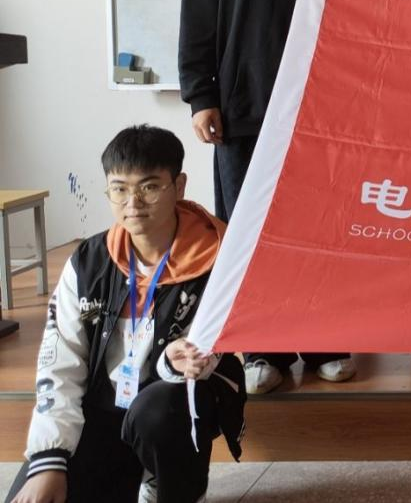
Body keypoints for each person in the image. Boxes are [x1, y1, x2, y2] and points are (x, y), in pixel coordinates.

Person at [178, 0, 361, 394]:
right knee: (249, 230)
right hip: (245, 106)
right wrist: (201, 95)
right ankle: (262, 350)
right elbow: (198, 15)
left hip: (325, 105)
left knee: (323, 226)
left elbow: (377, 1)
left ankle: (326, 340)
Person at [5, 125, 245, 503]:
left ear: (179, 186)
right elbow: (60, 362)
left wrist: (173, 363)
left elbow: (214, 353)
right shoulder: (88, 262)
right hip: (106, 409)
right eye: (119, 189)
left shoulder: (219, 255)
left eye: (149, 187)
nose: (132, 203)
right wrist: (50, 459)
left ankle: (166, 482)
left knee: (158, 411)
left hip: (177, 404)